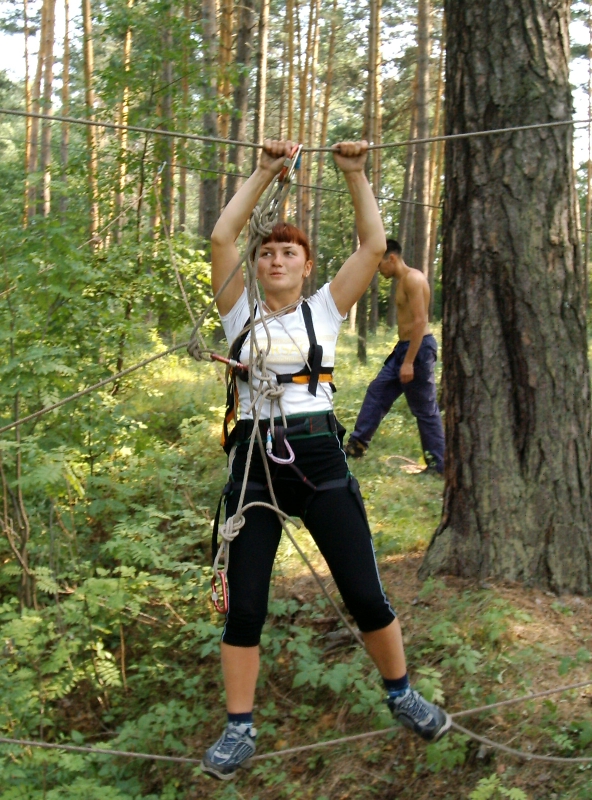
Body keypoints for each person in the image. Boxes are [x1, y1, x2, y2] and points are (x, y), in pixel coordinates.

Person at [201, 140, 450, 781]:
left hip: (317, 458)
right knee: (245, 606)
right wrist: (264, 171)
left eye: (289, 252)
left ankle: (401, 693)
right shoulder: (238, 312)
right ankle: (238, 727)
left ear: (307, 266)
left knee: (365, 592)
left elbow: (372, 245)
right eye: (267, 251)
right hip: (254, 464)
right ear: (255, 265)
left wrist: (356, 174)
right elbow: (223, 234)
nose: (275, 258)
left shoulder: (326, 311)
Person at [344, 239, 445, 474]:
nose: (379, 270)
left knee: (425, 408)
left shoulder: (413, 279)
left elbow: (420, 321)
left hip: (418, 350)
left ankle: (438, 464)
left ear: (391, 258)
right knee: (377, 391)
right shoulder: (403, 281)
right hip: (403, 348)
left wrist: (409, 361)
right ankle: (357, 445)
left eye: (380, 264)